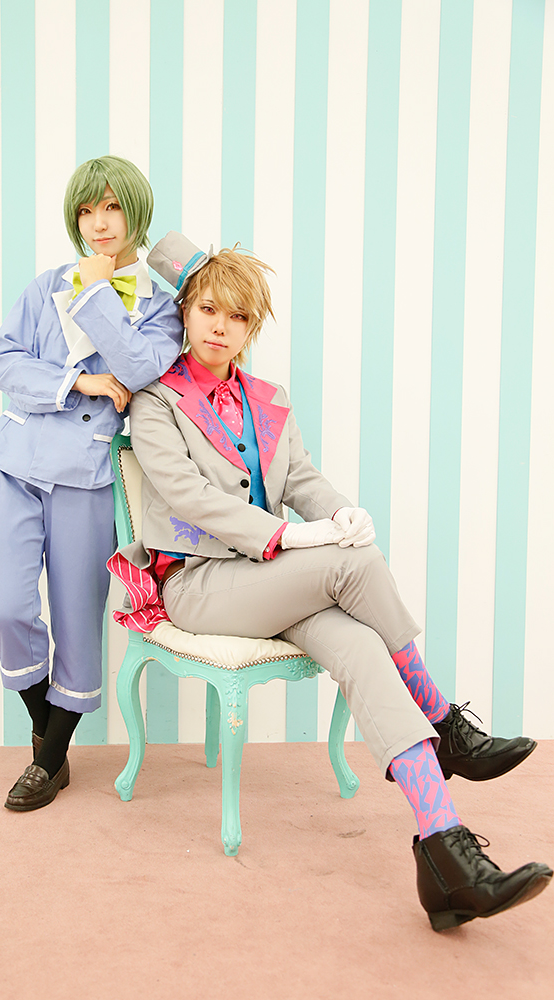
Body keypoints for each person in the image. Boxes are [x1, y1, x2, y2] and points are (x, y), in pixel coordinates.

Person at [108, 232, 552, 930]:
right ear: (185, 312)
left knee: (362, 648)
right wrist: (292, 537)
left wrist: (340, 513)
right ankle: (444, 722)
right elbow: (190, 498)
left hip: (273, 583)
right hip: (200, 585)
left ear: (252, 327)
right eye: (208, 309)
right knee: (353, 564)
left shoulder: (267, 399)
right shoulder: (155, 402)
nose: (220, 326)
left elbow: (302, 481)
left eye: (237, 316)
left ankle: (446, 858)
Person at [0, 157, 183, 812]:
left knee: (76, 616)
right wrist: (78, 382)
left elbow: (140, 367)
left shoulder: (161, 308)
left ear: (135, 212)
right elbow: (5, 362)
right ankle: (49, 733)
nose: (99, 223)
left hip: (87, 475)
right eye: (86, 211)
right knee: (6, 604)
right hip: (15, 459)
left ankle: (49, 760)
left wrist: (96, 292)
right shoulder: (46, 286)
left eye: (112, 207)